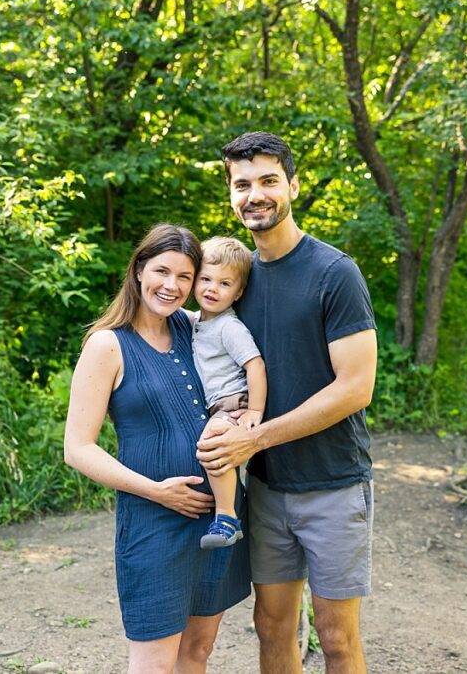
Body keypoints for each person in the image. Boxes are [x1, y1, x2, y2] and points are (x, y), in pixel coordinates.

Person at [196, 132, 378, 674]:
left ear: (293, 186)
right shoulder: (237, 280)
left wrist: (256, 437)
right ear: (231, 195)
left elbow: (355, 387)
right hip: (267, 489)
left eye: (268, 180)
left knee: (336, 637)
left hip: (332, 483)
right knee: (272, 627)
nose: (255, 194)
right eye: (242, 184)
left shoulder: (334, 272)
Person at [63, 224, 250, 674]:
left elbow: (237, 380)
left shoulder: (195, 328)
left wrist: (244, 423)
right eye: (162, 271)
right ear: (139, 270)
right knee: (154, 664)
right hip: (154, 524)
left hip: (217, 520)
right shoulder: (108, 344)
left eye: (185, 277)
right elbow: (77, 448)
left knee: (198, 651)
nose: (172, 286)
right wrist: (157, 491)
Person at [190, 236, 267, 549]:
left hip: (233, 404)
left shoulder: (228, 327)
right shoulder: (196, 321)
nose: (212, 289)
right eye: (205, 279)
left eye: (224, 284)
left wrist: (255, 411)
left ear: (238, 293)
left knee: (213, 444)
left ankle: (226, 518)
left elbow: (255, 365)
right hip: (217, 406)